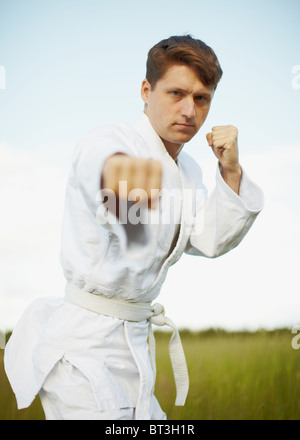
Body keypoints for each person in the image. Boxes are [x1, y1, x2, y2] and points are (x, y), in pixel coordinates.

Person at [4, 35, 264, 420]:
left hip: (134, 343)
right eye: (176, 93)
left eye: (201, 98)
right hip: (84, 349)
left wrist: (231, 171)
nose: (189, 110)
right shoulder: (110, 141)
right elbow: (103, 171)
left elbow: (208, 239)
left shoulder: (189, 171)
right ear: (146, 90)